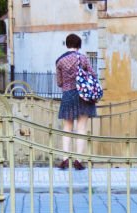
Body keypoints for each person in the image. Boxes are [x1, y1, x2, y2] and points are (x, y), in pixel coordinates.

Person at [55, 33, 97, 171]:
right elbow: (93, 75)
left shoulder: (60, 61)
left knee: (67, 128)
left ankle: (65, 159)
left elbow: (59, 82)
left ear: (67, 44)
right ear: (79, 45)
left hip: (68, 95)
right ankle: (79, 160)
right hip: (83, 95)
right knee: (81, 129)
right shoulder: (83, 58)